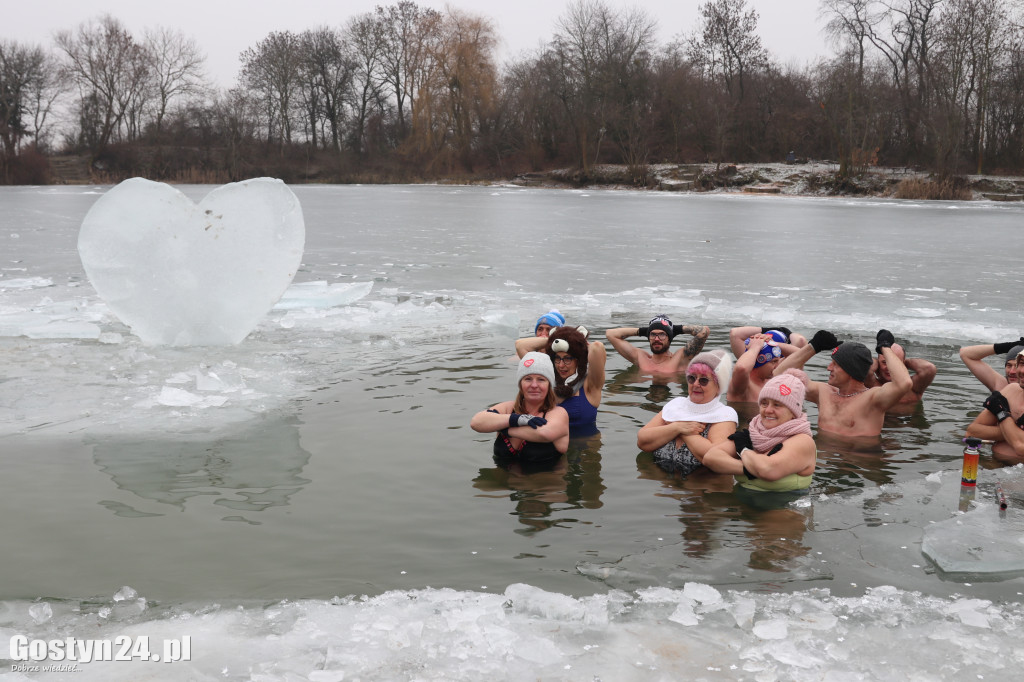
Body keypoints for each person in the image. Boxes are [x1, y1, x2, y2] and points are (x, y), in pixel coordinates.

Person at [772, 329, 912, 438]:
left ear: (850, 369)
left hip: (859, 467)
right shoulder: (823, 392)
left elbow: (904, 383)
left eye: (835, 364)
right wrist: (813, 347)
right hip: (823, 464)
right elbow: (779, 375)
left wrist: (885, 347)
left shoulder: (873, 399)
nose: (828, 368)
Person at [703, 369, 817, 493]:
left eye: (777, 405)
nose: (768, 410)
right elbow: (711, 457)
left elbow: (768, 470)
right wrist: (749, 469)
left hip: (785, 509)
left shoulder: (803, 441)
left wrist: (744, 451)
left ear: (793, 412)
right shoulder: (754, 433)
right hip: (741, 506)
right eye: (764, 403)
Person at [637, 349, 738, 476]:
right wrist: (677, 427)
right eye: (692, 378)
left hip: (699, 488)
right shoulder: (676, 405)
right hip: (661, 484)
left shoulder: (724, 415)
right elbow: (642, 440)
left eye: (703, 380)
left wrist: (684, 432)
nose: (696, 384)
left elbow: (714, 458)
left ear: (718, 386)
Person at [471, 352, 570, 467]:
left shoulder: (558, 413)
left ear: (549, 385)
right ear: (520, 384)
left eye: (541, 379)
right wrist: (516, 419)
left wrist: (504, 429)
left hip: (544, 483)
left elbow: (545, 433)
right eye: (528, 379)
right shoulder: (508, 408)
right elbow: (476, 422)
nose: (534, 385)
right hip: (503, 482)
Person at [514, 326, 606, 436]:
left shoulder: (590, 384)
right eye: (557, 358)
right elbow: (520, 345)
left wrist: (575, 342)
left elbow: (597, 348)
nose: (561, 365)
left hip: (586, 449)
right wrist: (555, 340)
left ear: (578, 360)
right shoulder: (546, 379)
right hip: (552, 448)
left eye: (567, 359)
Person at [966, 349, 1024, 465]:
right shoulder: (1011, 390)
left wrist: (1002, 414)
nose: (1022, 371)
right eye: (1022, 364)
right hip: (992, 465)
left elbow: (1020, 448)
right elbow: (971, 432)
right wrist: (1016, 431)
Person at [606, 315, 710, 377]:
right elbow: (610, 334)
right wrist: (644, 331)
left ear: (670, 338)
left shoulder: (680, 358)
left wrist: (675, 330)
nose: (656, 339)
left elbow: (703, 331)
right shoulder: (641, 358)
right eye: (653, 334)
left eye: (662, 335)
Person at [728, 329, 789, 403]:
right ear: (760, 360)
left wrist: (772, 343)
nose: (777, 366)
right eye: (774, 362)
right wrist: (755, 347)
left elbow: (799, 355)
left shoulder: (772, 378)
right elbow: (741, 368)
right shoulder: (744, 385)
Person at [864, 342, 936, 405]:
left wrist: (904, 365)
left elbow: (929, 369)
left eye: (897, 363)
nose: (889, 368)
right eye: (884, 362)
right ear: (878, 363)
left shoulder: (912, 387)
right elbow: (867, 368)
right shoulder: (872, 385)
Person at [958, 336, 1024, 392]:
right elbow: (965, 353)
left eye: (1017, 366)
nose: (1011, 371)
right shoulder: (1002, 387)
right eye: (1009, 365)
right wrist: (1012, 345)